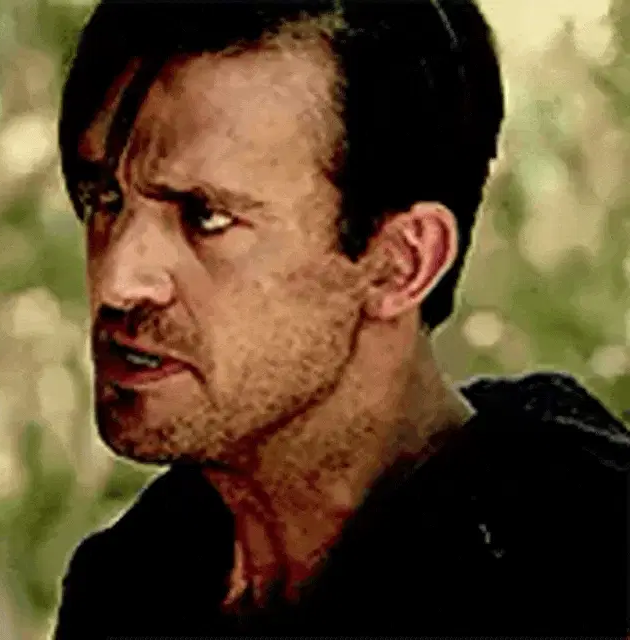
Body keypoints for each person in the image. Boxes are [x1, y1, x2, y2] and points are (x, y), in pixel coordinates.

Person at [53, 0, 630, 636]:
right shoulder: (133, 582)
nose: (118, 281)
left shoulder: (583, 575)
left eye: (206, 217)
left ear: (400, 264)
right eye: (103, 198)